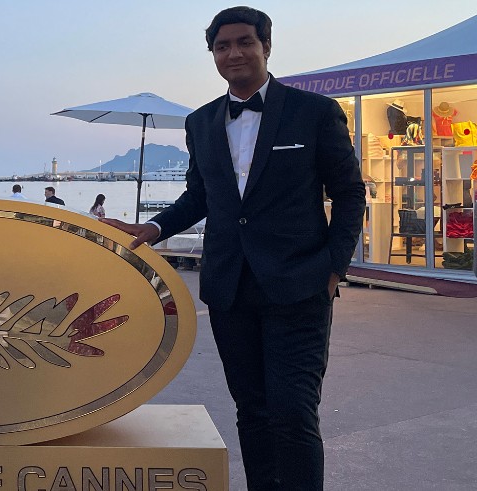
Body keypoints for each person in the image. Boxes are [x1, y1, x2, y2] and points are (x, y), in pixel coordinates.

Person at [101, 6, 363, 489]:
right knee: (252, 410)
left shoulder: (314, 112)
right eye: (223, 46)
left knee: (293, 412)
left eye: (245, 42)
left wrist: (333, 267)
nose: (234, 53)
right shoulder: (201, 123)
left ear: (266, 47)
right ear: (213, 56)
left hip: (299, 284)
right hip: (230, 287)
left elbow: (349, 193)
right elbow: (200, 196)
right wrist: (153, 229)